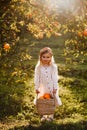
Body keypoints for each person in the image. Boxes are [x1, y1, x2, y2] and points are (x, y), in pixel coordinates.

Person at [34, 47, 62, 122]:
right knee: (43, 100)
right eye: (44, 57)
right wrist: (37, 87)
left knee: (51, 101)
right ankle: (44, 115)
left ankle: (51, 115)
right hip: (42, 87)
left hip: (52, 87)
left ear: (51, 57)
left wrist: (55, 88)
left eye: (48, 57)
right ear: (40, 57)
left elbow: (55, 78)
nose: (46, 59)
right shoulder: (38, 67)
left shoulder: (53, 67)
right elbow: (37, 78)